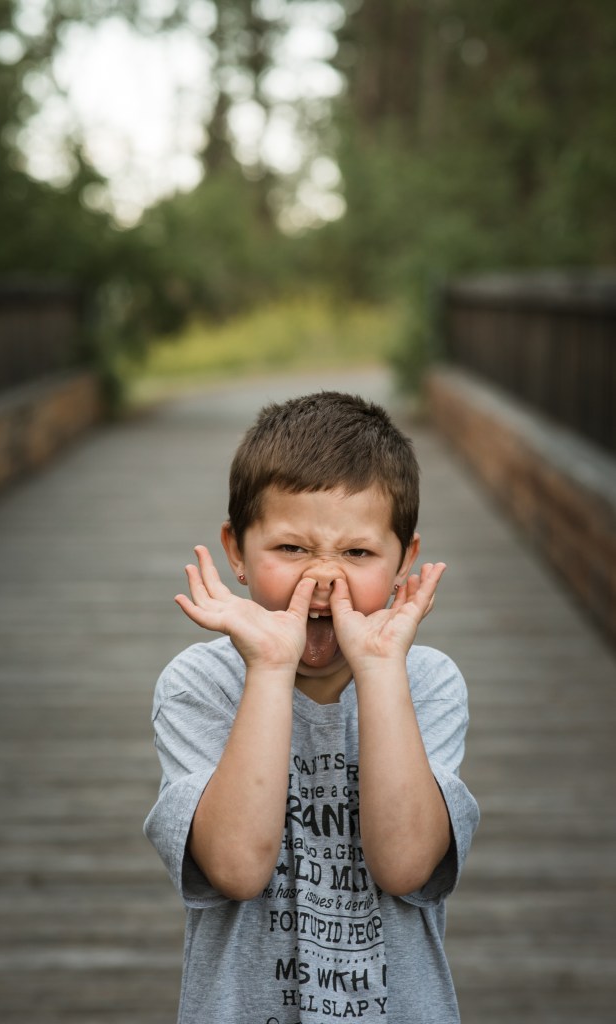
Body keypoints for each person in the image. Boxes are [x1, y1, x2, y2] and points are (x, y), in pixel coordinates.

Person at [144, 390, 479, 1024]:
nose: (323, 578)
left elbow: (405, 866)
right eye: (292, 549)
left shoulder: (426, 682)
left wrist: (380, 669)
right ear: (236, 551)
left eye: (358, 553)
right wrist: (270, 667)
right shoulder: (199, 685)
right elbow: (237, 869)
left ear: (405, 560)